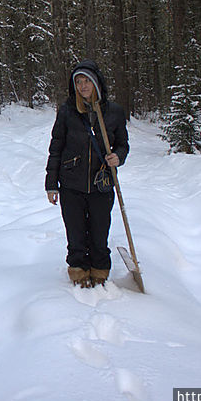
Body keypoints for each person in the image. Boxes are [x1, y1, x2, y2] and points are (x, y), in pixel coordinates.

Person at [45, 60, 129, 288]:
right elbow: (56, 148)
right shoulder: (67, 112)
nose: (82, 86)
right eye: (78, 82)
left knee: (99, 232)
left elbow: (123, 144)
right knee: (76, 233)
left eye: (87, 81)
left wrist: (118, 157)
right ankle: (78, 270)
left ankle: (100, 269)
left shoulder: (114, 112)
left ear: (96, 83)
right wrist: (51, 184)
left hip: (102, 183)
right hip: (71, 183)